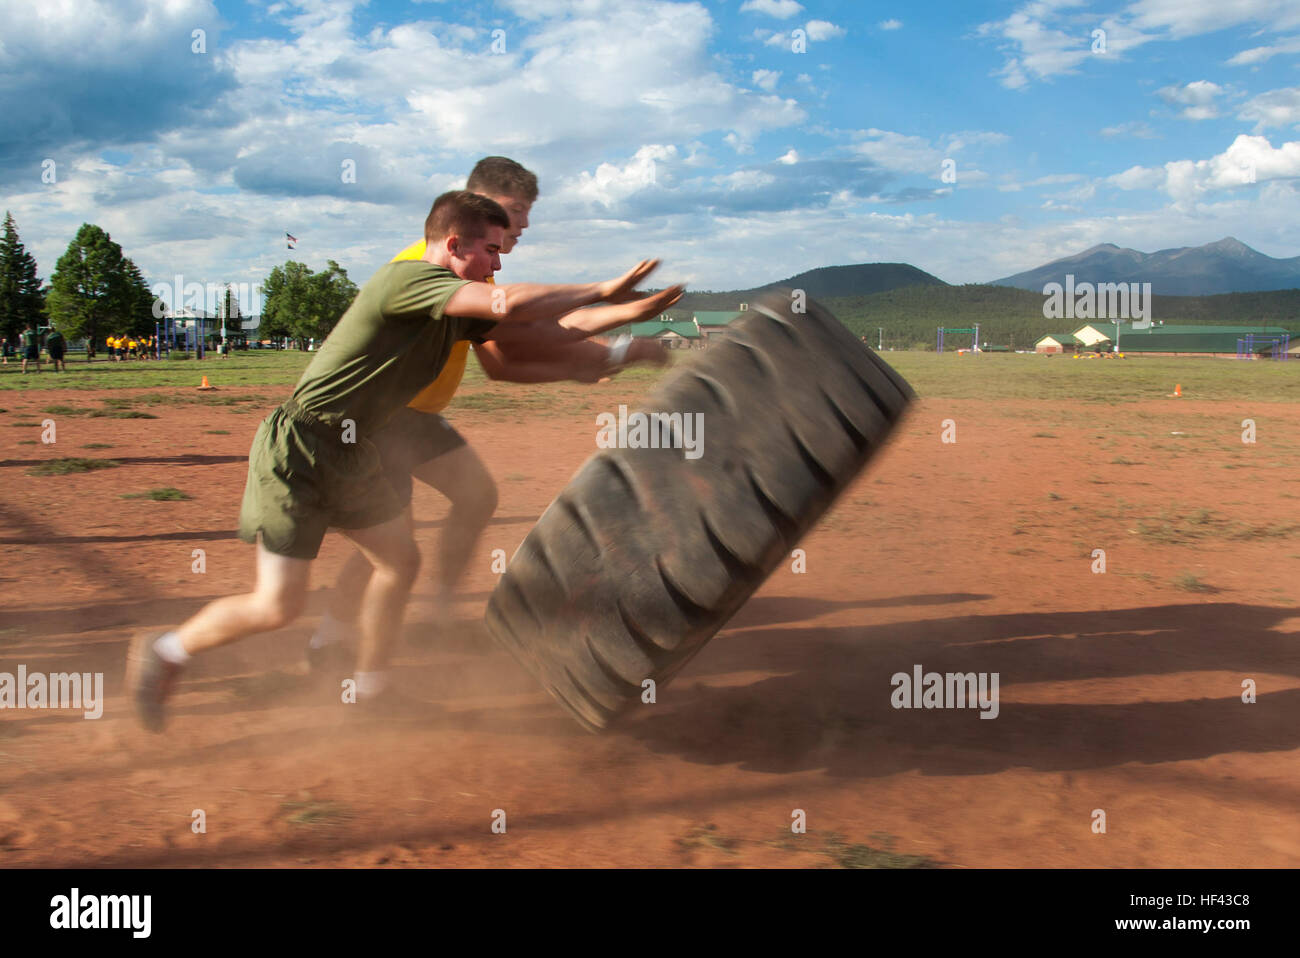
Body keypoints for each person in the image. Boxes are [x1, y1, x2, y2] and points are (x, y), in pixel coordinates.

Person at [127, 189, 683, 730]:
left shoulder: (456, 304)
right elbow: (510, 303)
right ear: (453, 242)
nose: (499, 258)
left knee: (398, 561)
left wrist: (631, 311)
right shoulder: (411, 278)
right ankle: (168, 651)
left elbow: (546, 330)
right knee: (277, 606)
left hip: (354, 449)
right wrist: (604, 286)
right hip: (299, 446)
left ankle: (370, 689)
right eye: (490, 248)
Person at [309, 157, 667, 663]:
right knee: (391, 541)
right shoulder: (429, 268)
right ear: (479, 207)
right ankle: (333, 641)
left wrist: (601, 354)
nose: (524, 225)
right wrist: (614, 337)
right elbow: (524, 333)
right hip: (384, 420)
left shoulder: (477, 275)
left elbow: (506, 358)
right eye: (517, 211)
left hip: (420, 419)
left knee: (475, 496)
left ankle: (435, 613)